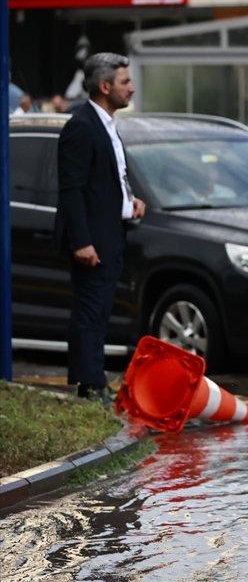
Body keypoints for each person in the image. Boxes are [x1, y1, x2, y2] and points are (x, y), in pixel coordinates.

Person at [54, 53, 146, 401]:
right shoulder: (81, 126)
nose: (132, 88)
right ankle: (90, 384)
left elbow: (109, 178)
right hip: (92, 238)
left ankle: (91, 380)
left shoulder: (107, 124)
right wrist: (81, 241)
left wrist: (131, 199)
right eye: (125, 82)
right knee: (90, 311)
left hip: (112, 231)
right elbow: (72, 189)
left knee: (100, 309)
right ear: (105, 86)